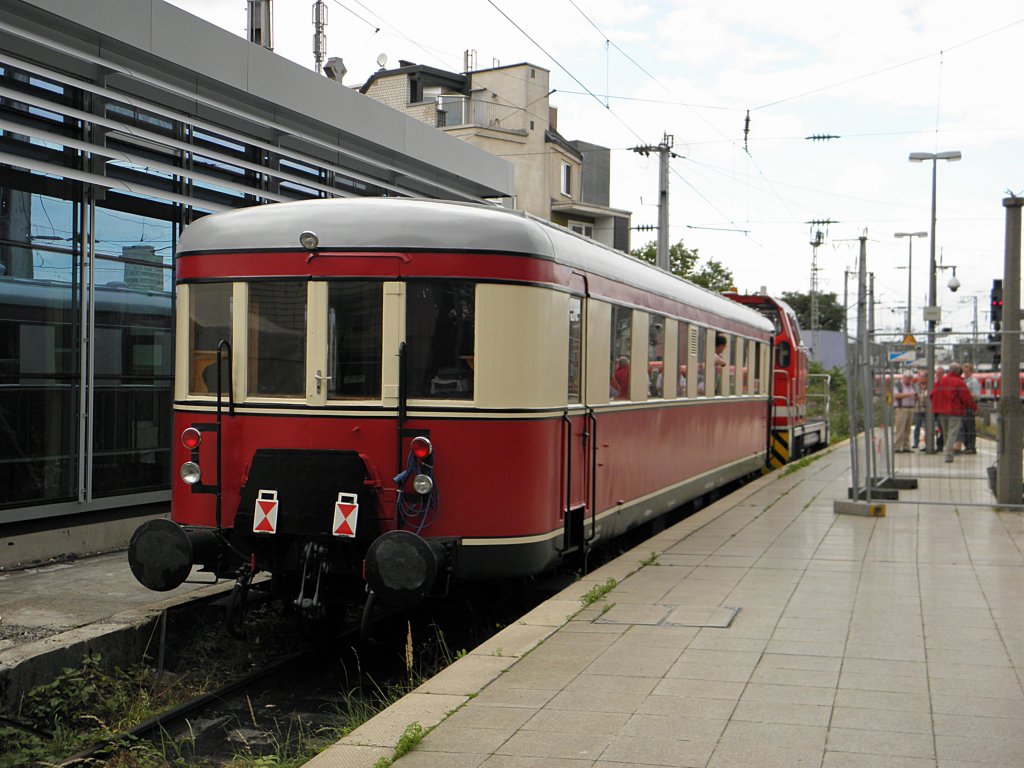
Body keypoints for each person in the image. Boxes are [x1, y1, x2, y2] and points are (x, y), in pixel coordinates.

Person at [930, 362, 977, 463]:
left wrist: (937, 405)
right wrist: (974, 408)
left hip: (941, 411)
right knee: (952, 433)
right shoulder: (959, 382)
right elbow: (966, 398)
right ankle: (948, 454)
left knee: (946, 432)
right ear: (958, 371)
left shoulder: (940, 381)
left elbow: (932, 394)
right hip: (955, 411)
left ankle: (947, 450)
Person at [892, 371, 916, 452]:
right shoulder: (898, 385)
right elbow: (896, 395)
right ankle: (897, 446)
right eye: (908, 378)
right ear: (904, 377)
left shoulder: (912, 385)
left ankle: (906, 446)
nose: (909, 380)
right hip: (901, 408)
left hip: (911, 408)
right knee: (900, 428)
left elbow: (914, 394)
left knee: (907, 429)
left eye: (911, 379)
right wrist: (909, 395)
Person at [961, 363, 980, 454]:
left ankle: (971, 446)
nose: (965, 372)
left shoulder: (974, 381)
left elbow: (977, 396)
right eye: (964, 371)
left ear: (971, 371)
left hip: (970, 406)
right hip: (963, 407)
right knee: (964, 427)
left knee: (970, 427)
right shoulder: (963, 380)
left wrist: (966, 395)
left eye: (967, 371)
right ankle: (967, 445)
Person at [912, 373, 928, 449]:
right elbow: (912, 394)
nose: (920, 378)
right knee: (917, 426)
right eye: (920, 377)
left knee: (927, 427)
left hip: (927, 409)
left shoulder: (930, 385)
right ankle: (916, 443)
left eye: (922, 377)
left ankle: (927, 444)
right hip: (917, 408)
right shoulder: (915, 385)